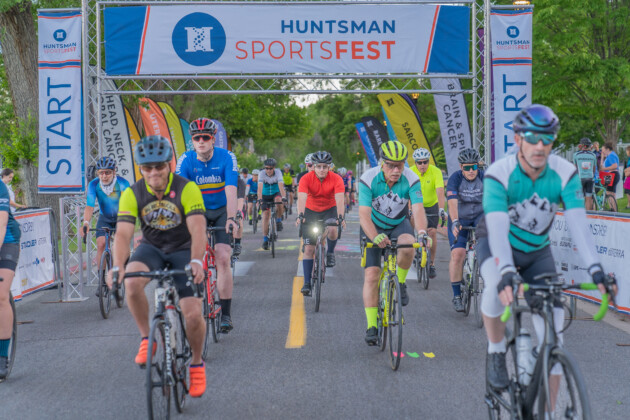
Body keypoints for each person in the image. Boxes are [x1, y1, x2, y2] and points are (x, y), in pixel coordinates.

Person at [479, 104, 616, 393]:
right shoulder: (499, 173)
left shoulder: (565, 172)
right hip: (496, 243)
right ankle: (496, 349)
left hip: (536, 252)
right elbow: (498, 230)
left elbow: (579, 226)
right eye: (532, 138)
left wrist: (596, 270)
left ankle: (548, 411)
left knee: (554, 341)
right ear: (518, 139)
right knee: (494, 289)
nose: (540, 146)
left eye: (548, 138)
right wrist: (506, 271)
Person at [110, 135, 208, 397]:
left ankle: (196, 363)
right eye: (147, 168)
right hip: (152, 247)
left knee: (192, 314)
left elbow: (198, 228)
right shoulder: (132, 193)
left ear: (169, 165)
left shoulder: (187, 188)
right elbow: (123, 234)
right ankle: (147, 338)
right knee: (131, 282)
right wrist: (118, 266)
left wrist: (197, 260)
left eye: (159, 167)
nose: (154, 173)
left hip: (183, 249)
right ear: (140, 169)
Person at [359, 141, 427, 345]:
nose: (396, 170)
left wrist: (422, 232)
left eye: (400, 165)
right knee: (372, 275)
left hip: (399, 223)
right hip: (373, 226)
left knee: (409, 245)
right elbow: (364, 215)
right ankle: (372, 325)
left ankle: (401, 282)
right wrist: (375, 237)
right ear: (382, 163)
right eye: (391, 165)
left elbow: (418, 209)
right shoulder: (368, 178)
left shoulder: (412, 178)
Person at [176, 117, 239, 333]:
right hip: (198, 211)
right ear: (192, 141)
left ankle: (226, 314)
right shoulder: (185, 160)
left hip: (221, 210)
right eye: (197, 138)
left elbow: (231, 189)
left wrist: (231, 218)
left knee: (223, 257)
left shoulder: (227, 157)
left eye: (205, 137)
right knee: (193, 255)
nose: (201, 141)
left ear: (213, 139)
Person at [296, 151, 345, 295]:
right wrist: (300, 215)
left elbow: (340, 199)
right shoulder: (305, 178)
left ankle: (330, 253)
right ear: (314, 167)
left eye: (325, 167)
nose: (322, 170)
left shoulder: (336, 179)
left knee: (332, 229)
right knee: (309, 249)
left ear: (329, 167)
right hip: (310, 210)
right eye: (319, 167)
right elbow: (302, 198)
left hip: (330, 209)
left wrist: (340, 217)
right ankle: (307, 282)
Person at [81, 157, 130, 293]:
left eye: (107, 172)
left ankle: (119, 270)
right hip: (105, 218)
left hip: (121, 217)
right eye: (101, 173)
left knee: (119, 246)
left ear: (114, 172)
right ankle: (102, 281)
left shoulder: (123, 183)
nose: (104, 176)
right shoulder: (94, 185)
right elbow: (90, 206)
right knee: (101, 244)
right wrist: (86, 222)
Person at [446, 148, 484, 313]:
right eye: (467, 168)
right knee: (458, 254)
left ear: (478, 166)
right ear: (461, 167)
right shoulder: (455, 178)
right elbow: (452, 202)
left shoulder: (485, 176)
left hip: (479, 216)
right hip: (460, 217)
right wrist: (455, 221)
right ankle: (456, 295)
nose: (471, 171)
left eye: (474, 167)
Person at [410, 148, 446, 279]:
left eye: (425, 162)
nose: (422, 165)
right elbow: (407, 192)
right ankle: (415, 250)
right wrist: (409, 209)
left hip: (431, 205)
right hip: (416, 205)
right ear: (415, 163)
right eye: (419, 162)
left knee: (432, 233)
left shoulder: (435, 171)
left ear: (428, 161)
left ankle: (431, 263)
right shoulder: (410, 172)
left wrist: (441, 209)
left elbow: (440, 191)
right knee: (412, 230)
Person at [0, 177, 21, 379]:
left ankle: (2, 356)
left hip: (6, 240)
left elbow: (2, 224)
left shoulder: (0, 187)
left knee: (1, 295)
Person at [257, 158, 286, 250]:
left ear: (274, 168)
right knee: (265, 216)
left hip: (275, 193)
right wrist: (259, 199)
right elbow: (260, 187)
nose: (268, 170)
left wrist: (284, 197)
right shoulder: (261, 173)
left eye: (271, 168)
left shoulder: (278, 172)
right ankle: (265, 239)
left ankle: (278, 220)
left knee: (279, 200)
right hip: (265, 195)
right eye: (267, 168)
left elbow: (281, 185)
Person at [572, 138, 598, 210]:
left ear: (581, 145)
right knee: (588, 198)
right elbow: (594, 169)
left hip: (580, 179)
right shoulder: (593, 155)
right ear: (589, 146)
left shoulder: (576, 155)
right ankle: (588, 215)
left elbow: (574, 168)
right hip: (590, 178)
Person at [600, 142, 620, 211]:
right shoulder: (609, 156)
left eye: (603, 149)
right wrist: (602, 157)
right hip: (610, 175)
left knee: (609, 193)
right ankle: (613, 209)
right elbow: (601, 167)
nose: (602, 151)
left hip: (612, 174)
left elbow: (615, 166)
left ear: (607, 149)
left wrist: (604, 169)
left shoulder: (611, 155)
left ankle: (613, 209)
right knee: (611, 193)